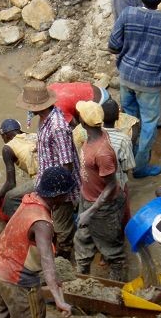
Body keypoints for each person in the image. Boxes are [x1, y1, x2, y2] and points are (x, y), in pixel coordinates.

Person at [0, 166, 74, 318]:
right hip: (16, 277)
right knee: (32, 315)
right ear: (58, 195)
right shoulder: (42, 223)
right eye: (66, 194)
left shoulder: (30, 200)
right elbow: (48, 264)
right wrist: (59, 299)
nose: (68, 198)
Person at [108, 0, 161, 178]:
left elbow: (113, 44)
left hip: (127, 76)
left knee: (130, 118)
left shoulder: (128, 13)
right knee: (149, 122)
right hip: (150, 82)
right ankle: (139, 167)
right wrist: (157, 64)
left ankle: (124, 158)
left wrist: (128, 53)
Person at [16, 81, 81, 261]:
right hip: (46, 182)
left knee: (62, 228)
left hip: (59, 189)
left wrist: (56, 195)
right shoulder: (46, 119)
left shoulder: (58, 127)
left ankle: (64, 260)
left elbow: (66, 165)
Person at [73, 101, 126, 280]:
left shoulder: (102, 152)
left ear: (84, 121)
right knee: (82, 242)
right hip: (88, 199)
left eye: (79, 113)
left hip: (103, 207)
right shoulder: (93, 135)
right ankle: (82, 282)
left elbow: (112, 184)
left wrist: (91, 211)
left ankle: (116, 291)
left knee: (113, 252)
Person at [102, 99, 136, 227]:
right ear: (118, 116)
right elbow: (128, 167)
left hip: (98, 184)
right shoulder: (124, 139)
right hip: (117, 185)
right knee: (123, 215)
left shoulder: (92, 134)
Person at [0, 119, 38, 218]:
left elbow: (11, 183)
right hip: (53, 171)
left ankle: (23, 224)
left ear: (5, 135)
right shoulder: (34, 135)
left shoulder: (7, 148)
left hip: (41, 179)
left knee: (9, 197)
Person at [47, 82, 111, 127]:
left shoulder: (58, 108)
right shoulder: (51, 87)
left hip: (100, 104)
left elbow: (76, 125)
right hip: (100, 90)